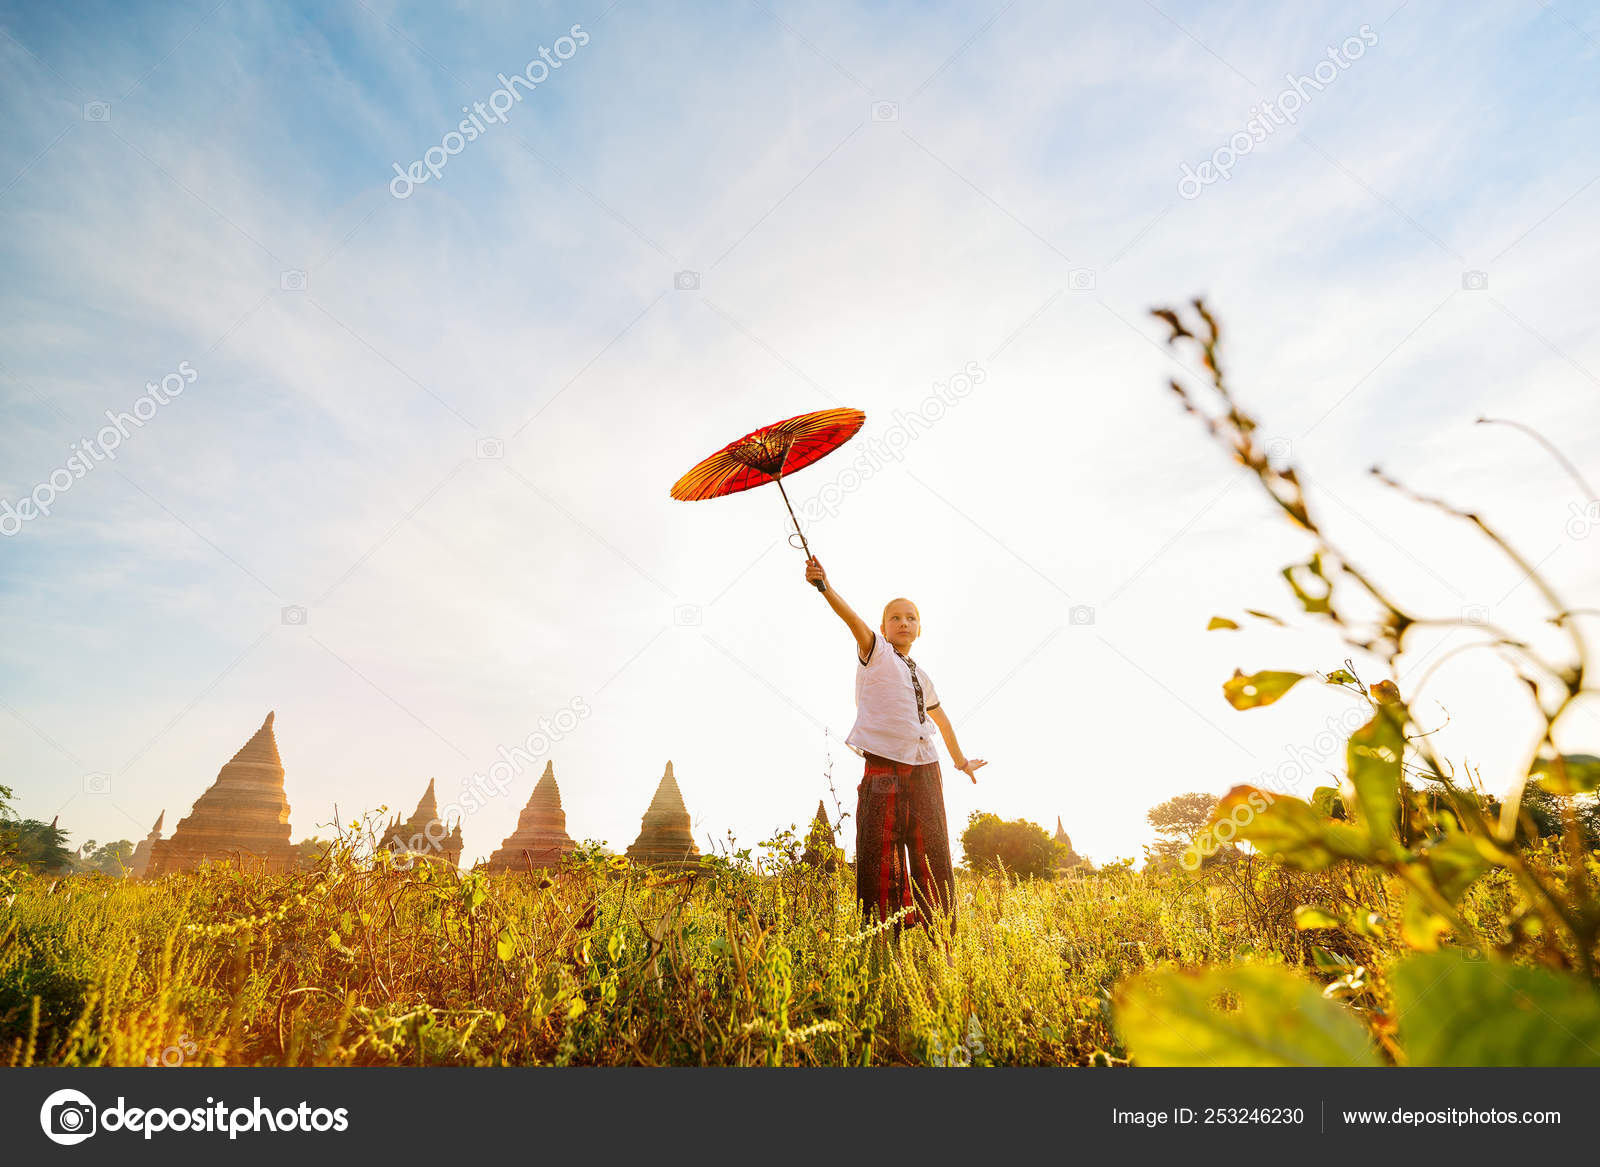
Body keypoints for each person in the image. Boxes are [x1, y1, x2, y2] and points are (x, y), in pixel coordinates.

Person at [803, 556, 985, 935]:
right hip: (884, 767)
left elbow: (943, 722)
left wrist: (960, 761)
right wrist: (825, 588)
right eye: (896, 618)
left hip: (925, 769)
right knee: (880, 851)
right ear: (884, 628)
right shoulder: (877, 653)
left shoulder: (922, 675)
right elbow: (852, 620)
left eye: (912, 617)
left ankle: (943, 942)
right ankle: (883, 940)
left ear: (920, 629)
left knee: (932, 851)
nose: (904, 622)